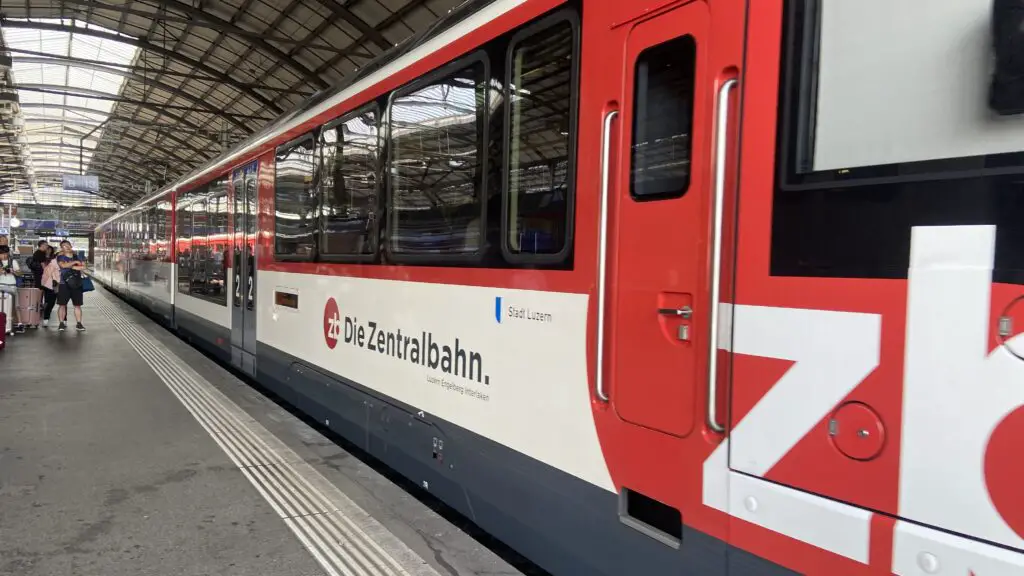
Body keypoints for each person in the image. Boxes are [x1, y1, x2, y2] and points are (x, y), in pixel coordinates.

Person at [55, 240, 86, 332]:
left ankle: (79, 323)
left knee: (77, 305)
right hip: (64, 284)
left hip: (76, 283)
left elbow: (83, 266)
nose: (67, 247)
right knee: (62, 304)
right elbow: (62, 265)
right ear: (62, 248)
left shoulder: (77, 256)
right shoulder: (60, 257)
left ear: (71, 246)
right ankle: (61, 323)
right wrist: (75, 263)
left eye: (68, 245)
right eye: (64, 246)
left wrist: (70, 265)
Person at [0, 245, 23, 334]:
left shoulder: (13, 262)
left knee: (16, 306)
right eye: (2, 254)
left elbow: (20, 273)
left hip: (11, 286)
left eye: (6, 254)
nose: (4, 256)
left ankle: (20, 324)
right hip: (1, 285)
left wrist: (13, 271)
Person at [40, 245, 59, 327]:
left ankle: (63, 320)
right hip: (52, 285)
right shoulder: (52, 263)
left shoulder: (67, 263)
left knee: (63, 304)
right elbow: (46, 275)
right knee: (50, 302)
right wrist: (43, 284)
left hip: (62, 285)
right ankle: (46, 318)